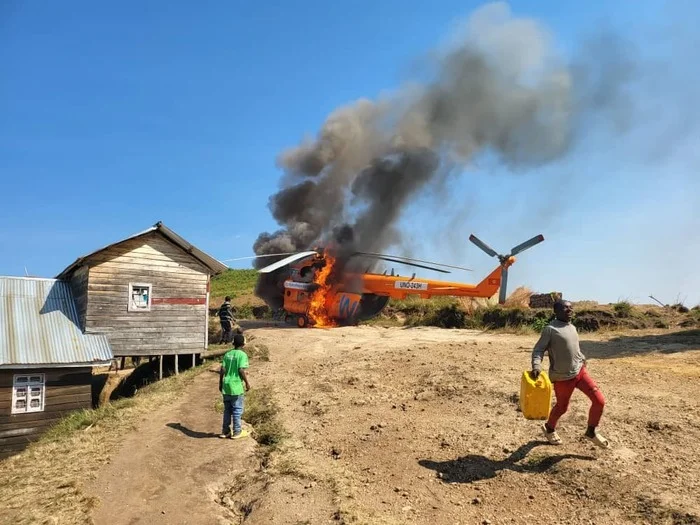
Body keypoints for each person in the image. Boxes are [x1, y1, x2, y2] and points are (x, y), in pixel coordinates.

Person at [531, 299, 609, 448]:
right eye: (566, 308)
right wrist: (536, 365)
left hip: (580, 372)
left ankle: (591, 432)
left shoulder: (572, 327)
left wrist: (582, 358)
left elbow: (575, 348)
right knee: (562, 407)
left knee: (599, 401)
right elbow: (538, 350)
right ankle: (549, 428)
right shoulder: (550, 329)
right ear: (556, 311)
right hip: (562, 377)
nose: (570, 311)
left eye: (571, 308)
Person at [219, 333, 251, 439]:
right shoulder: (242, 355)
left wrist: (220, 383)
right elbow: (241, 370)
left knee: (227, 409)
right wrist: (247, 382)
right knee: (237, 410)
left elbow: (222, 369)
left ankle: (225, 431)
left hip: (226, 385)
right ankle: (237, 431)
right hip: (236, 386)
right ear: (243, 344)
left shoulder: (227, 354)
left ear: (233, 343)